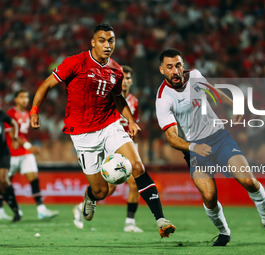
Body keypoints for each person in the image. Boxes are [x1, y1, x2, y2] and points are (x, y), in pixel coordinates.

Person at [30, 24, 175, 237]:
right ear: (93, 42)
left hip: (109, 125)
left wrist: (131, 121)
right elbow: (46, 85)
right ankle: (90, 197)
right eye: (102, 40)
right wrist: (34, 110)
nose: (107, 45)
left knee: (137, 166)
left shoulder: (116, 70)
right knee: (101, 191)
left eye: (111, 41)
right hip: (81, 134)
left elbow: (118, 98)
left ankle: (161, 220)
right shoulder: (75, 62)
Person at [155, 48, 265, 246]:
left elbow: (212, 89)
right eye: (170, 67)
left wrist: (232, 104)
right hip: (194, 149)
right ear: (162, 70)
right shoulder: (163, 99)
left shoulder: (196, 76)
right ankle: (224, 232)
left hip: (218, 137)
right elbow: (172, 139)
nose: (175, 71)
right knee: (209, 196)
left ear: (183, 66)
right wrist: (194, 147)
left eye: (178, 65)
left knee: (248, 180)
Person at [73, 65, 143, 232]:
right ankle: (82, 205)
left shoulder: (133, 102)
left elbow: (134, 124)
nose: (125, 81)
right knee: (107, 189)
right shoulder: (107, 97)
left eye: (127, 78)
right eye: (122, 78)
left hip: (125, 144)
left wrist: (136, 147)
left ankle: (130, 223)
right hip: (108, 144)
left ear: (131, 81)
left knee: (135, 183)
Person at [1, 90, 59, 220]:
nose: (25, 100)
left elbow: (24, 134)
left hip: (25, 154)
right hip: (11, 153)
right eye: (21, 97)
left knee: (34, 178)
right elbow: (12, 134)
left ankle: (41, 209)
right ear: (15, 99)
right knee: (5, 183)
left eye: (26, 97)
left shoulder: (27, 114)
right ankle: (0, 210)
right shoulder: (10, 114)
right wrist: (28, 146)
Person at [0, 109, 21, 222]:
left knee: (3, 180)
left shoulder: (1, 113)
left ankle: (16, 209)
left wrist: (15, 137)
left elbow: (14, 123)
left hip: (2, 152)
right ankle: (15, 209)